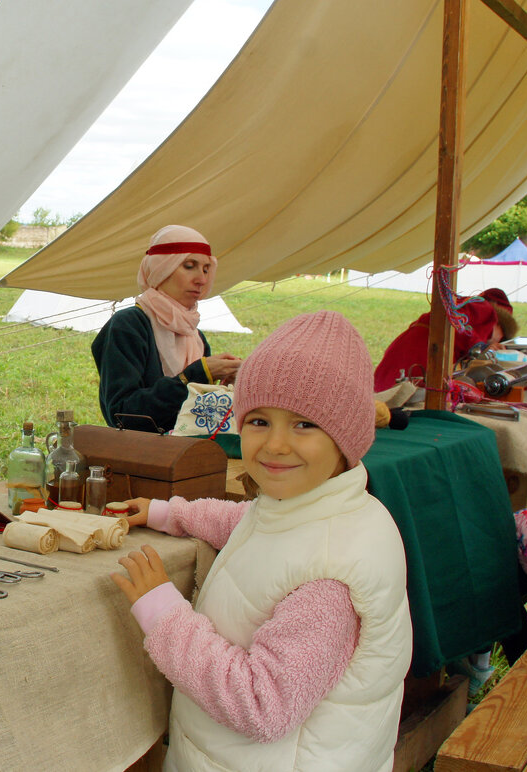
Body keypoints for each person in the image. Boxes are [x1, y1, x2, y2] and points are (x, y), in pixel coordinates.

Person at [111, 310, 412, 772]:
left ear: (347, 435)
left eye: (304, 425)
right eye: (258, 421)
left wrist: (163, 611)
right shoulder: (311, 508)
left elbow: (262, 705)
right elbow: (251, 523)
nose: (274, 444)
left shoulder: (330, 579)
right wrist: (169, 512)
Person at [90, 225, 241, 432]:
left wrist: (225, 387)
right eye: (189, 266)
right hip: (140, 458)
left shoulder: (195, 336)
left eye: (206, 269)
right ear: (161, 269)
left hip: (185, 454)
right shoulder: (128, 326)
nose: (202, 279)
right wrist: (195, 376)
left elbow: (194, 416)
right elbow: (121, 415)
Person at [373, 287, 519, 391]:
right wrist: (480, 347)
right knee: (395, 391)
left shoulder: (478, 314)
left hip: (420, 345)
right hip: (421, 348)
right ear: (499, 323)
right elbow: (455, 321)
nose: (497, 342)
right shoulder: (484, 308)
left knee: (392, 389)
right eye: (502, 337)